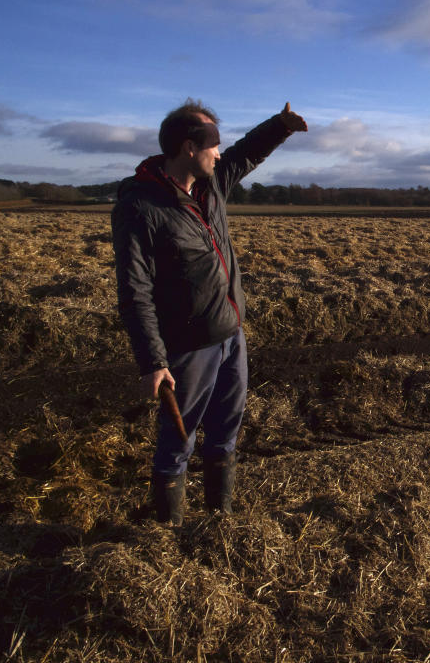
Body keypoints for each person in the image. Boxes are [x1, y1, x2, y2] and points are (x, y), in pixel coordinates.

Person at [111, 99, 307, 525]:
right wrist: (153, 361)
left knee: (225, 435)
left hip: (230, 336)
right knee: (178, 444)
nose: (219, 153)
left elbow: (245, 154)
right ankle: (169, 534)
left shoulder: (211, 185)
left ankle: (221, 522)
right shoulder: (140, 206)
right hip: (187, 347)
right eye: (211, 145)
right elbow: (134, 289)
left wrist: (280, 125)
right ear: (187, 147)